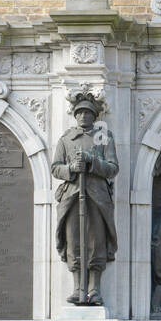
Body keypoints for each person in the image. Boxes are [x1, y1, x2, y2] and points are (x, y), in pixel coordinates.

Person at [52, 93, 119, 305]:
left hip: (97, 197)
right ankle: (78, 287)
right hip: (72, 196)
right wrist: (71, 168)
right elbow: (55, 167)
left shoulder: (104, 138)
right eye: (79, 112)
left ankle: (94, 289)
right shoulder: (65, 139)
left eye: (87, 113)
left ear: (94, 116)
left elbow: (113, 168)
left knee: (95, 241)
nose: (82, 116)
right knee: (73, 240)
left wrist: (92, 162)